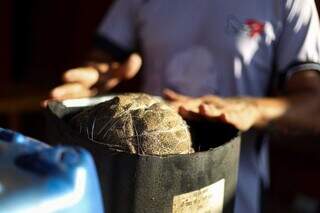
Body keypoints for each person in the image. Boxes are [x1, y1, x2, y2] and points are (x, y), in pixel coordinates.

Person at [49, 0, 320, 212]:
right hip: (144, 184)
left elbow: (314, 106)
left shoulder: (289, 2)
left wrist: (251, 109)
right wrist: (95, 77)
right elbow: (102, 60)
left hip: (232, 189)